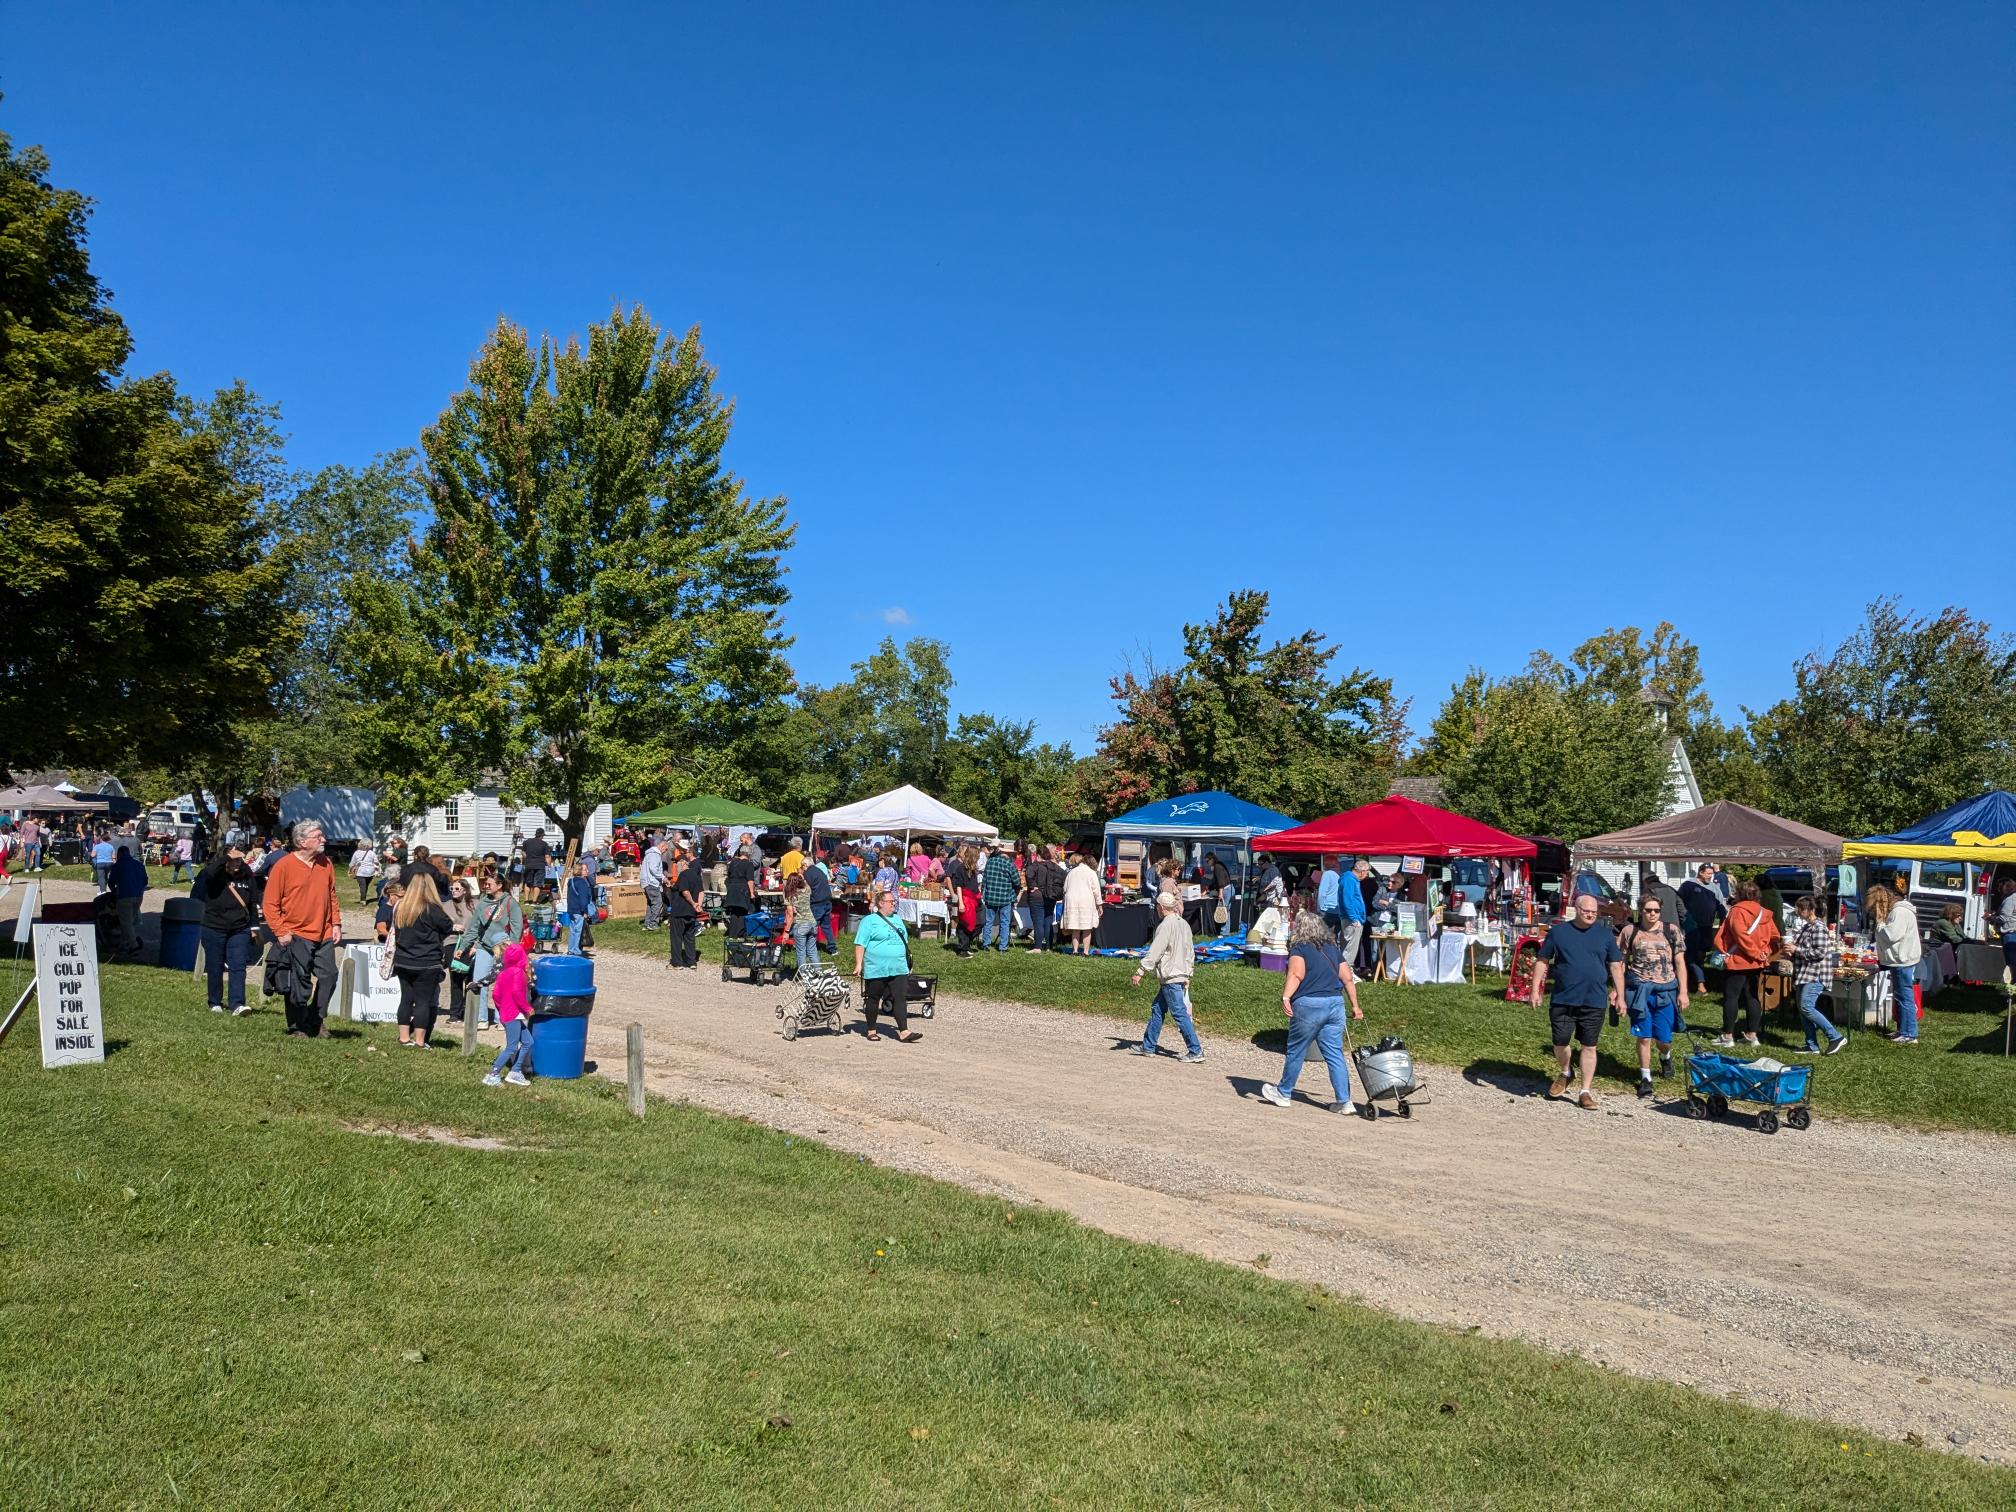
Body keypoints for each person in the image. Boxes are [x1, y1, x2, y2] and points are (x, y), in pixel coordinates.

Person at [1259, 908, 1363, 1112]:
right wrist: (1356, 1006)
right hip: (1335, 1003)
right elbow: (1347, 978)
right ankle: (1344, 1100)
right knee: (1334, 1054)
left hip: (1309, 1004)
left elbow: (1296, 974)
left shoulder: (1300, 948)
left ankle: (1284, 1092)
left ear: (1300, 928)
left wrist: (1286, 996)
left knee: (1296, 1049)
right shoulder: (1333, 948)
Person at [1528, 892, 1623, 1109]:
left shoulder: (1605, 934)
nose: (1590, 915)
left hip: (1594, 999)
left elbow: (1616, 965)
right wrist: (1535, 990)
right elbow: (1543, 960)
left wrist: (1621, 995)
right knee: (1560, 1042)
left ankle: (1585, 1091)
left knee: (1589, 1045)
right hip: (1563, 997)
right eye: (1586, 911)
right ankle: (1565, 1072)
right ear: (1576, 910)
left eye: (1594, 912)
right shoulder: (1559, 933)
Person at [263, 820, 343, 1039]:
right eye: (318, 836)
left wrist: (336, 923)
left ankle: (315, 1019)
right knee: (298, 981)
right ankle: (297, 1026)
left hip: (324, 932)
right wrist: (281, 931)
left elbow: (332, 896)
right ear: (302, 841)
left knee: (329, 976)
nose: (323, 839)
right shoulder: (284, 865)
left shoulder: (325, 863)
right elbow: (270, 903)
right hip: (295, 934)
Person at [1619, 895, 1689, 1096]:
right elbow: (1620, 963)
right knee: (1644, 1037)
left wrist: (1683, 991)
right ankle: (1646, 1077)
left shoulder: (1671, 931)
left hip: (1665, 991)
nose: (1652, 914)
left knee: (1664, 1039)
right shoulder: (1629, 932)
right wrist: (1617, 990)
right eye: (1648, 910)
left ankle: (1665, 1056)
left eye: (1656, 910)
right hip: (1639, 990)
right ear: (1641, 910)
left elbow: (1680, 963)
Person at [1131, 892, 1203, 1062]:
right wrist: (1188, 972)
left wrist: (1140, 971)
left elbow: (1156, 951)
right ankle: (1148, 1046)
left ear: (1161, 908)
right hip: (1180, 972)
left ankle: (1195, 1049)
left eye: (1157, 906)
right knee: (1158, 1008)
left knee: (1179, 1013)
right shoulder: (1184, 924)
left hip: (1171, 975)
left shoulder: (1165, 926)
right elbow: (1190, 950)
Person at [1713, 879, 1782, 1047]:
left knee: (1732, 997)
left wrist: (1755, 952)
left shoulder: (1737, 911)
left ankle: (1727, 1036)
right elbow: (1775, 936)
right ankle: (1752, 1035)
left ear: (1739, 893)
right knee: (1752, 998)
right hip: (1757, 962)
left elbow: (1741, 936)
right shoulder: (1764, 912)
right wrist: (1764, 953)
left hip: (1739, 960)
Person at [455, 872, 525, 1029]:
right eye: (485, 884)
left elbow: (516, 928)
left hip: (503, 948)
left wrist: (511, 949)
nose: (486, 886)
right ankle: (482, 1018)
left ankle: (503, 1018)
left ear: (499, 886)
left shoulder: (510, 903)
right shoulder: (482, 904)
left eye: (489, 884)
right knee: (479, 981)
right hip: (484, 947)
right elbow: (473, 928)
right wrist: (463, 947)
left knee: (503, 984)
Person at [391, 872, 453, 1048]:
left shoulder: (401, 907)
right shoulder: (431, 909)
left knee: (406, 999)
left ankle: (404, 1038)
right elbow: (447, 927)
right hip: (427, 961)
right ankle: (419, 1041)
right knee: (423, 1002)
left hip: (403, 960)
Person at [852, 888, 919, 1042]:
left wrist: (907, 961)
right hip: (877, 967)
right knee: (874, 998)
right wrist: (858, 964)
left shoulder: (898, 919)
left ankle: (904, 1031)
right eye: (890, 901)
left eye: (894, 901)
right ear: (881, 903)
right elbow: (860, 944)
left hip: (898, 967)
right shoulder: (869, 921)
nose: (893, 904)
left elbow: (905, 942)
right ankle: (871, 1030)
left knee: (900, 998)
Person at [199, 841, 257, 1016]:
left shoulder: (247, 875)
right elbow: (208, 873)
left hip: (239, 928)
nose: (238, 862)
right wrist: (225, 857)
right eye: (234, 859)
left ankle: (237, 1004)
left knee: (238, 966)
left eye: (240, 859)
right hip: (214, 926)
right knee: (215, 965)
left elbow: (253, 902)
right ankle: (215, 1001)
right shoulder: (214, 874)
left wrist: (254, 927)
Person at [1786, 895, 1847, 1055]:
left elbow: (1820, 952)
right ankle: (1811, 1044)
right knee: (1802, 1008)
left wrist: (1796, 950)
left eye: (1801, 908)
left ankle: (1835, 1036)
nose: (1798, 911)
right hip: (1804, 973)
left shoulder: (1819, 927)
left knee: (1807, 1006)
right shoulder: (1807, 926)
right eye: (1797, 908)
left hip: (1815, 974)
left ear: (1811, 910)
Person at [1866, 884, 1923, 1045]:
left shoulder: (1899, 912)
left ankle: (1910, 1034)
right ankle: (1903, 1030)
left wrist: (1880, 924)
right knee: (1900, 997)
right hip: (1900, 959)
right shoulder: (1899, 911)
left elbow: (1892, 935)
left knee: (1905, 998)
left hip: (1902, 960)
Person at [482, 941, 535, 1087]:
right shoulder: (518, 972)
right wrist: (527, 1008)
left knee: (528, 1042)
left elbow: (496, 995)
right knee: (512, 1046)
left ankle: (515, 1071)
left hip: (506, 1014)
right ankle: (492, 1074)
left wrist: (501, 1009)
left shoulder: (503, 973)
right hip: (514, 1014)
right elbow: (518, 993)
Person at [1678, 863, 1727, 992]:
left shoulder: (1714, 888)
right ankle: (1695, 982)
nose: (1710, 876)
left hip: (1707, 925)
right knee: (1692, 953)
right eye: (1708, 873)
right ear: (1701, 872)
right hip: (1692, 925)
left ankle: (1698, 977)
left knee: (1702, 952)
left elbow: (1720, 905)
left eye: (1711, 874)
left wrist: (1723, 920)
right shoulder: (1689, 885)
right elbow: (1679, 901)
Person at [665, 843, 704, 969]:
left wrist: (693, 903)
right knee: (689, 937)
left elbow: (685, 891)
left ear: (683, 863)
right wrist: (698, 905)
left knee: (676, 937)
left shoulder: (683, 875)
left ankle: (677, 963)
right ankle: (692, 961)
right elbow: (701, 891)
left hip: (680, 911)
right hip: (691, 912)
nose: (675, 866)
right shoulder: (696, 876)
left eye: (676, 863)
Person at [442, 877, 475, 1023]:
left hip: (471, 943)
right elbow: (440, 924)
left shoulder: (475, 905)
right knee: (456, 977)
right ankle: (455, 1012)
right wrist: (452, 927)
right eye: (452, 889)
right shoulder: (445, 905)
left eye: (457, 889)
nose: (454, 891)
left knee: (471, 978)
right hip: (452, 942)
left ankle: (470, 1011)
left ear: (465, 890)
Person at [980, 841, 1020, 953]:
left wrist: (983, 892)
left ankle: (986, 944)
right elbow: (1017, 882)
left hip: (990, 896)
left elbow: (984, 880)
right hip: (1005, 897)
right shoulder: (1009, 864)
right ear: (1009, 854)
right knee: (1004, 922)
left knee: (988, 921)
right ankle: (1003, 947)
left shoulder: (990, 862)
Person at [1061, 852, 1103, 955]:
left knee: (1075, 927)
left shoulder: (1072, 872)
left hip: (1072, 901)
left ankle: (1075, 950)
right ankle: (1085, 951)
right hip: (1086, 901)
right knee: (1087, 928)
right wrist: (1100, 905)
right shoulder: (1091, 873)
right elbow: (1096, 891)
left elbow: (1065, 888)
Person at [110, 844, 147, 958]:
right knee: (131, 920)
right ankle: (123, 943)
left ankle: (133, 945)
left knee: (126, 923)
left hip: (125, 895)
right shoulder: (139, 864)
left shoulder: (118, 865)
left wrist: (114, 891)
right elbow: (145, 881)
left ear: (119, 854)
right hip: (138, 895)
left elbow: (111, 882)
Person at [1024, 844, 1062, 954]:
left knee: (1038, 921)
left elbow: (1028, 873)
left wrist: (1032, 886)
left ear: (1038, 854)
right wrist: (1057, 888)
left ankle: (1037, 947)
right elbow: (1064, 875)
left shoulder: (1036, 865)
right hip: (1050, 896)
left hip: (1037, 896)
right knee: (1048, 921)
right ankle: (1049, 947)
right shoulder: (1054, 866)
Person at [782, 872, 821, 973]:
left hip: (800, 925)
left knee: (801, 952)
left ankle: (803, 975)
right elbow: (804, 880)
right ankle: (818, 972)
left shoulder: (790, 896)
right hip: (812, 923)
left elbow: (790, 916)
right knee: (812, 950)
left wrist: (786, 932)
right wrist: (800, 875)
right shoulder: (807, 889)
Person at [563, 858, 597, 955]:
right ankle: (575, 950)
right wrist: (585, 911)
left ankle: (571, 948)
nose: (588, 871)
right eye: (585, 869)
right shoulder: (582, 883)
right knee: (578, 931)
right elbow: (583, 899)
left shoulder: (572, 881)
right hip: (579, 910)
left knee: (573, 930)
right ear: (580, 871)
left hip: (571, 909)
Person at [723, 843, 757, 938]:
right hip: (742, 889)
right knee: (743, 910)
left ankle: (732, 933)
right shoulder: (749, 864)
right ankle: (740, 932)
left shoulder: (733, 862)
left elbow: (728, 876)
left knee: (734, 912)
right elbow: (750, 880)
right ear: (749, 854)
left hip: (732, 888)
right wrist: (752, 893)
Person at [639, 839, 668, 931]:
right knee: (658, 902)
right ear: (661, 846)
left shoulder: (650, 854)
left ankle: (648, 923)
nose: (665, 851)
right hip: (651, 882)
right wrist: (663, 878)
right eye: (665, 849)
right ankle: (653, 923)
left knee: (651, 903)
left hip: (648, 882)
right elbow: (654, 870)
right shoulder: (654, 855)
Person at [518, 830, 550, 902]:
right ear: (542, 835)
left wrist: (526, 857)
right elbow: (547, 856)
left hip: (529, 864)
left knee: (527, 883)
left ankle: (526, 900)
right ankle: (534, 901)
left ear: (536, 834)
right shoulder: (544, 844)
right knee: (537, 884)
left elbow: (522, 851)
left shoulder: (527, 842)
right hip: (540, 865)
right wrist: (549, 866)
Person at [1994, 877, 2016, 978]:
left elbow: (2004, 918)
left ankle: (2013, 985)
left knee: (2011, 962)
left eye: (1999, 887)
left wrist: (1991, 918)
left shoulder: (2010, 900)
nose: (1998, 889)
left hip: (2010, 933)